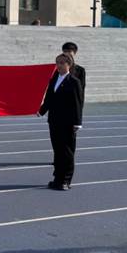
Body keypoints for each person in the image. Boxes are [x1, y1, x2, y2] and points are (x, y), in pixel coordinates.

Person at [38, 53, 83, 191]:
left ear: (69, 64)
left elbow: (77, 103)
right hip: (54, 121)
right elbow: (49, 98)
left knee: (67, 152)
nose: (59, 65)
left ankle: (66, 180)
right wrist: (41, 111)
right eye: (57, 62)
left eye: (62, 63)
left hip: (68, 122)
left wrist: (77, 123)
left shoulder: (74, 81)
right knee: (57, 151)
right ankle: (57, 178)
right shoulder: (54, 79)